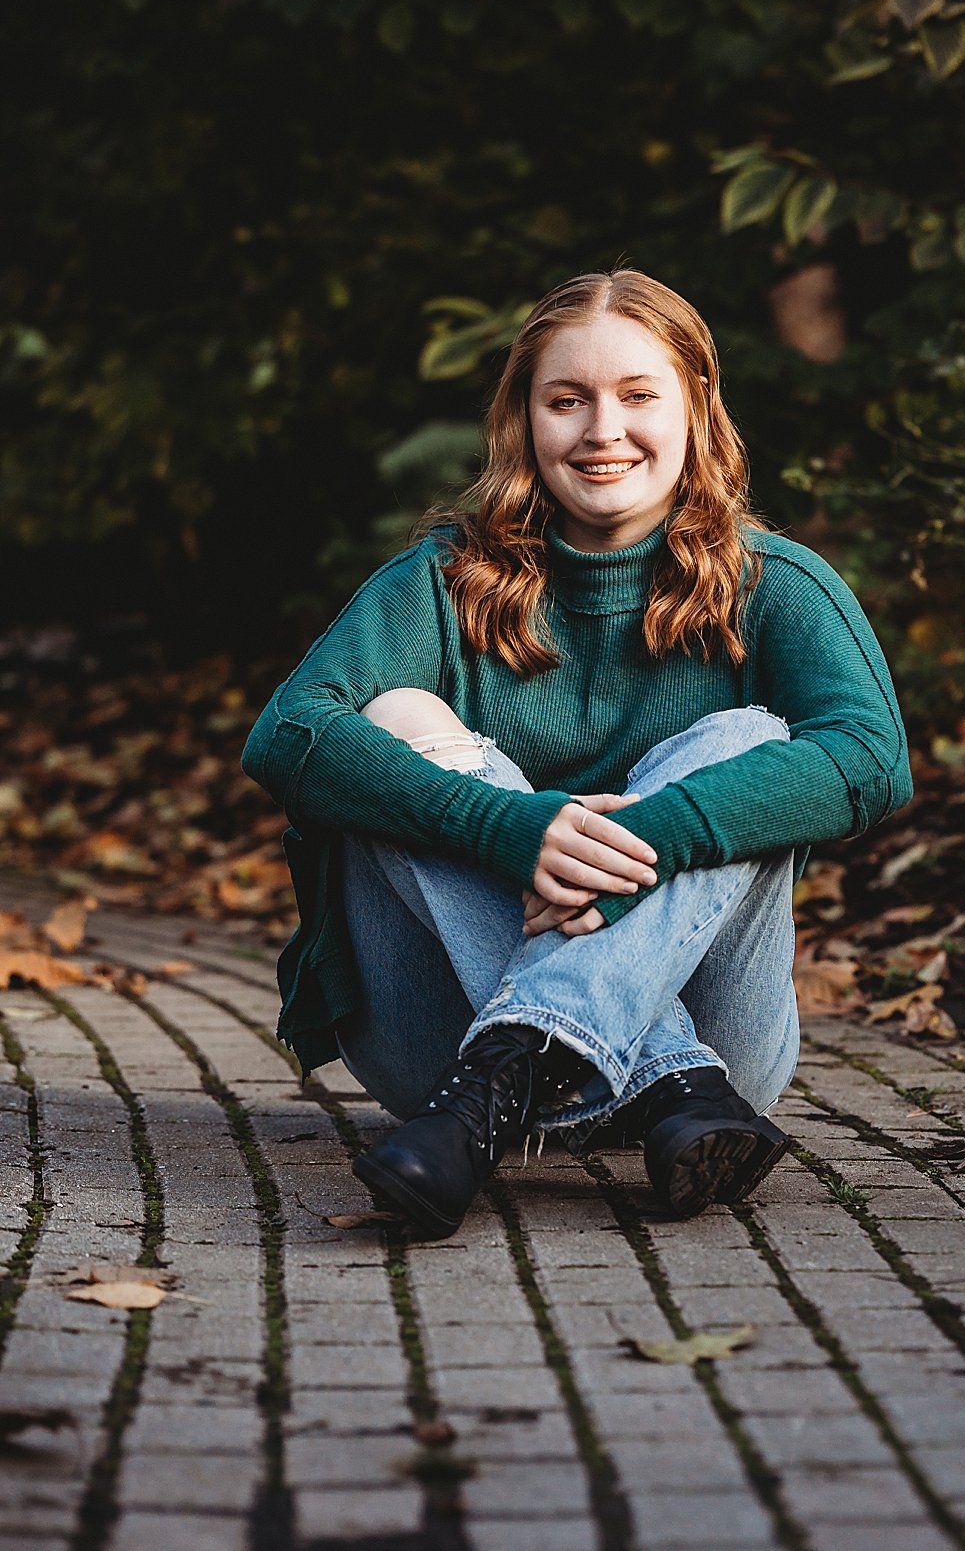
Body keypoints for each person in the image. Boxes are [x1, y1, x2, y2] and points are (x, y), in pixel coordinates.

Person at [242, 269, 912, 1240]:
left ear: (696, 410)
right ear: (525, 420)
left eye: (638, 395)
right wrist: (513, 829)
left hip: (702, 1043)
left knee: (750, 741)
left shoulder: (776, 585)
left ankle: (510, 1072)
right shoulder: (442, 578)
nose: (604, 428)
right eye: (568, 399)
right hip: (441, 1041)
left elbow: (869, 757)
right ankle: (655, 1074)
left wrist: (648, 834)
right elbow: (288, 732)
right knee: (388, 714)